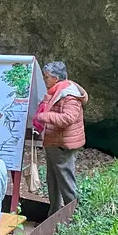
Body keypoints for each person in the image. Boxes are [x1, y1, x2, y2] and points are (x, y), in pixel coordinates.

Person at [32, 61, 88, 216]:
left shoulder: (69, 95)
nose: (44, 79)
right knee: (53, 180)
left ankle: (74, 215)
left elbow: (68, 118)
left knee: (65, 181)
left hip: (63, 145)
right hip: (55, 143)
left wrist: (44, 116)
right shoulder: (57, 90)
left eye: (47, 77)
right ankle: (55, 213)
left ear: (56, 78)